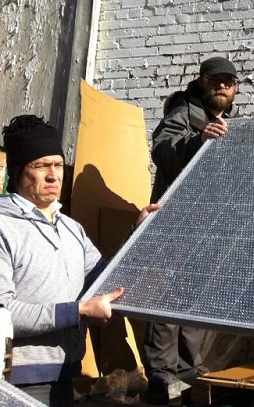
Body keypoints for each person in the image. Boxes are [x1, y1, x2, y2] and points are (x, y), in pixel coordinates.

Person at [0, 115, 158, 407]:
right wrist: (80, 311)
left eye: (58, 165)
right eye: (41, 166)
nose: (53, 175)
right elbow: (4, 312)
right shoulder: (3, 227)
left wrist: (138, 232)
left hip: (65, 373)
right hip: (15, 381)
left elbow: (103, 278)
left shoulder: (72, 228)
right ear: (18, 171)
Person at [144, 56, 239, 405]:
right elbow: (162, 149)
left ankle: (186, 373)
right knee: (167, 299)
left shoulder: (230, 123)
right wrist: (197, 140)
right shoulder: (185, 110)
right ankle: (161, 377)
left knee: (196, 300)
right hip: (176, 224)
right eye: (215, 80)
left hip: (210, 229)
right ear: (202, 81)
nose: (222, 86)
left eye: (228, 81)